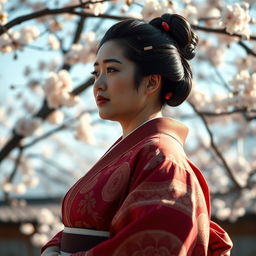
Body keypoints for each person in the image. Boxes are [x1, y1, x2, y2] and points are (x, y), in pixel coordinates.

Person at [41, 13, 233, 256]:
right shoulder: (139, 151)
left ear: (151, 83)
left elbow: (155, 246)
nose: (98, 84)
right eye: (96, 72)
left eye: (111, 70)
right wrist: (53, 247)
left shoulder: (163, 158)